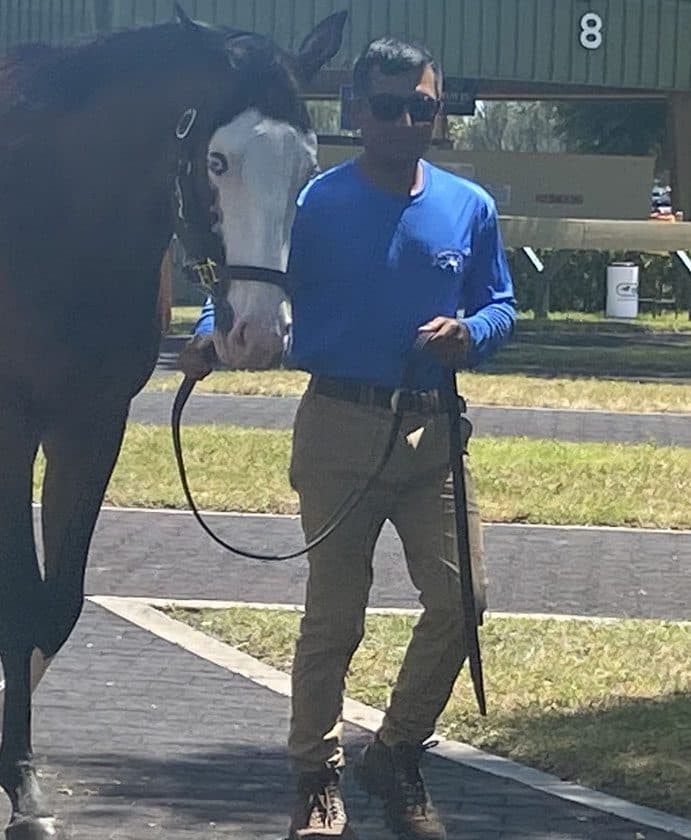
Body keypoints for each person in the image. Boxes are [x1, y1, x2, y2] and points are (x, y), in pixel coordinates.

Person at [181, 37, 516, 840]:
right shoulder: (313, 204)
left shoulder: (468, 206)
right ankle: (313, 779)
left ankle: (394, 753)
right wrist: (206, 334)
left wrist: (470, 332)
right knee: (335, 617)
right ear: (354, 114)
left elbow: (500, 303)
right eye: (388, 106)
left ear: (439, 111)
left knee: (462, 603)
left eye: (422, 106)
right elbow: (244, 274)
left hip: (432, 434)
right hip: (337, 424)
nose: (406, 120)